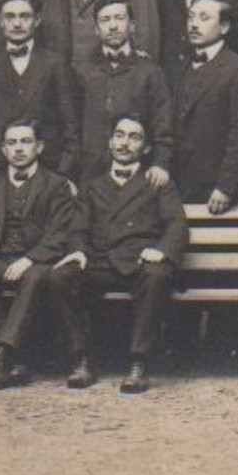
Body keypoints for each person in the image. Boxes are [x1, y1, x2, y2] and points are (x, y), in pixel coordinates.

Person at [51, 113, 187, 394]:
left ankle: (139, 362)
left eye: (134, 137)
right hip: (100, 262)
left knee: (156, 275)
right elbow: (78, 227)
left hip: (139, 262)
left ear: (147, 148)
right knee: (60, 277)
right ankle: (81, 359)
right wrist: (78, 251)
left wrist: (161, 251)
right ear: (110, 142)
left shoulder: (157, 182)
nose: (125, 143)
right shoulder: (92, 185)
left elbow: (177, 224)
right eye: (120, 135)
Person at [0, 119, 78, 389]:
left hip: (38, 260)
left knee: (35, 277)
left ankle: (2, 355)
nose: (19, 149)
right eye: (12, 143)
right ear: (3, 150)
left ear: (39, 147)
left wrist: (29, 259)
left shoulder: (57, 184)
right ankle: (4, 354)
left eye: (26, 142)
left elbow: (59, 234)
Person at [0, 0, 79, 182]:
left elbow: (71, 126)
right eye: (10, 17)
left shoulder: (56, 65)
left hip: (48, 175)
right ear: (1, 21)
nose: (17, 23)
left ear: (37, 21)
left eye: (25, 16)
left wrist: (61, 173)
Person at [173, 0, 238, 212]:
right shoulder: (180, 67)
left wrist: (225, 187)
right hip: (181, 185)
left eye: (204, 18)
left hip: (216, 189)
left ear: (224, 27)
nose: (194, 24)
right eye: (191, 17)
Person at [73, 0, 174, 182]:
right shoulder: (81, 72)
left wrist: (160, 164)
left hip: (138, 174)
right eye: (105, 20)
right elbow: (72, 126)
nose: (113, 26)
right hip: (90, 174)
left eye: (119, 18)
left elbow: (162, 124)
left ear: (132, 25)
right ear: (96, 29)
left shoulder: (150, 72)